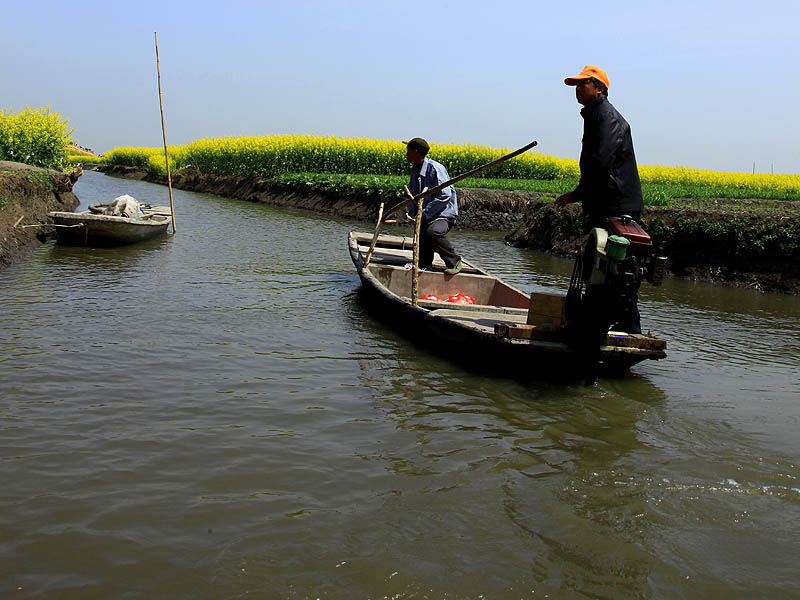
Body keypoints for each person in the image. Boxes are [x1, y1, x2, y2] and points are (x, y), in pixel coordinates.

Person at [555, 65, 644, 336]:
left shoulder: (606, 118)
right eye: (576, 85)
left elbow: (599, 164)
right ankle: (617, 324)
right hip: (607, 203)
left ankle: (621, 326)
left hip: (616, 205)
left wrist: (576, 194)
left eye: (584, 84)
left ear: (600, 89)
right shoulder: (596, 115)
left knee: (615, 267)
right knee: (608, 267)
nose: (578, 89)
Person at [404, 137, 462, 275]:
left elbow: (445, 195)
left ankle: (454, 261)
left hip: (443, 214)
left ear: (416, 153)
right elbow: (414, 194)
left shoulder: (435, 168)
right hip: (427, 213)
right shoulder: (415, 170)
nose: (406, 155)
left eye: (408, 151)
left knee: (433, 232)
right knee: (421, 234)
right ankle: (424, 264)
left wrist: (425, 213)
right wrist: (413, 210)